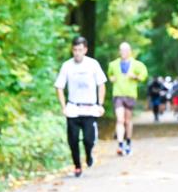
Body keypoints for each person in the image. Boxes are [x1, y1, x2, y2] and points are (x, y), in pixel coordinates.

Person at [54, 36, 106, 177]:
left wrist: (100, 104)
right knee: (73, 139)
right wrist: (63, 106)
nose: (77, 53)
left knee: (89, 139)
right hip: (73, 108)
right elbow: (59, 87)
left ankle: (89, 154)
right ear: (72, 50)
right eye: (75, 50)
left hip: (89, 108)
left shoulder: (93, 64)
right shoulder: (67, 66)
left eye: (80, 50)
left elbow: (101, 84)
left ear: (85, 50)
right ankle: (77, 166)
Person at [106, 42, 148, 156]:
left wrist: (135, 76)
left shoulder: (137, 64)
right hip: (118, 94)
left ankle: (128, 142)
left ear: (130, 52)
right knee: (120, 119)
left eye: (125, 50)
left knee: (127, 120)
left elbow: (144, 76)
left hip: (130, 94)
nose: (123, 52)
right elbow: (109, 75)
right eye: (121, 50)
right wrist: (111, 78)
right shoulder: (113, 64)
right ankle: (120, 144)